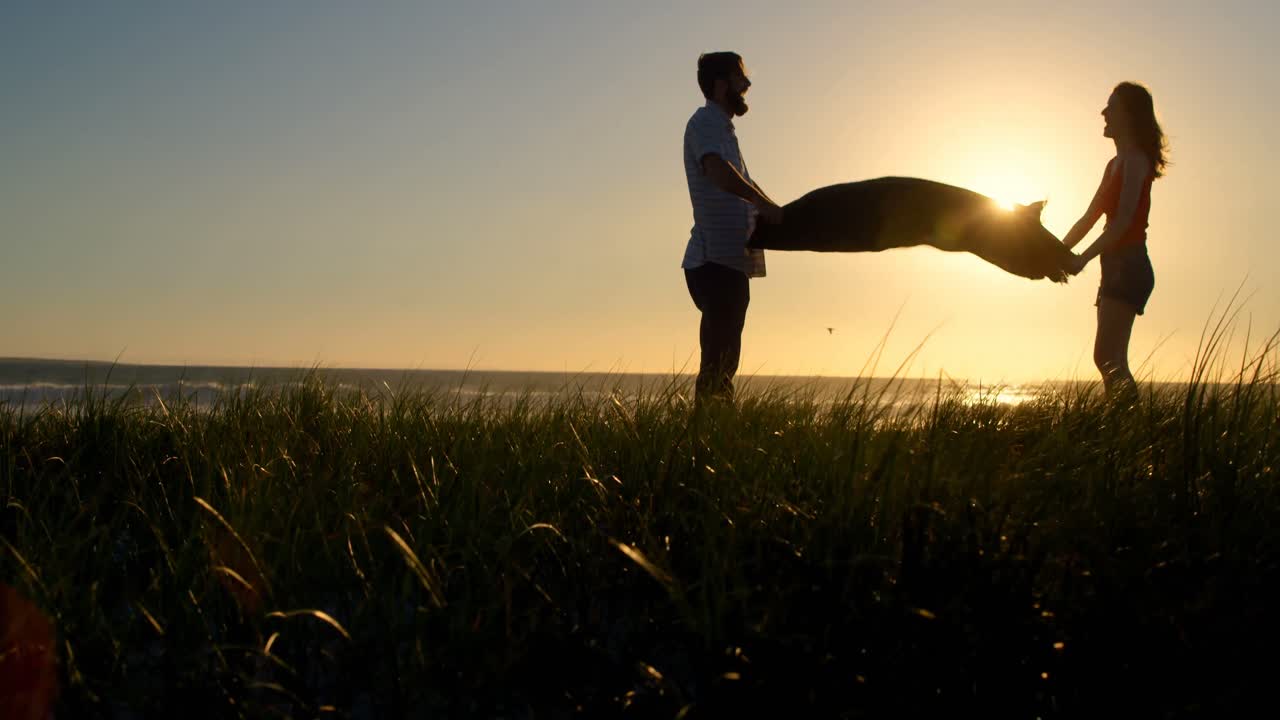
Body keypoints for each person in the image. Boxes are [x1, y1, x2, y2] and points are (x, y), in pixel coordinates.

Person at [681, 52, 784, 404]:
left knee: (723, 360)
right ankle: (708, 429)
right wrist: (760, 202)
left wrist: (773, 209)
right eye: (741, 77)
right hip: (714, 262)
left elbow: (743, 182)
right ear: (721, 84)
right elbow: (717, 171)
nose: (747, 84)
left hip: (729, 262)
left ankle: (714, 425)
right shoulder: (705, 122)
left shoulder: (723, 130)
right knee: (719, 363)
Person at [1063, 82, 1169, 399]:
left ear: (1129, 115)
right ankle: (1121, 422)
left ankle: (1129, 423)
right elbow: (1088, 217)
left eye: (1111, 106)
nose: (1104, 112)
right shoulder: (1114, 164)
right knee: (1109, 360)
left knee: (1108, 358)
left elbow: (1122, 223)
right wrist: (1056, 252)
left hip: (1129, 265)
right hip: (1114, 266)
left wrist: (1082, 258)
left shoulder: (1135, 161)